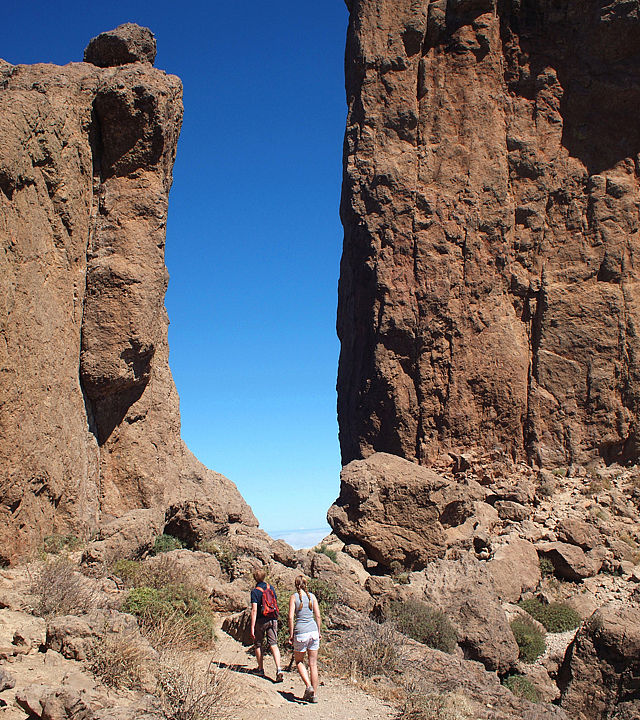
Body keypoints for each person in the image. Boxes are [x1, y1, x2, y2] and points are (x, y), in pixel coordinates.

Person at [288, 574, 322, 703]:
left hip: (301, 632)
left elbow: (291, 617)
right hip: (313, 631)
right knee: (313, 664)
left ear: (296, 584)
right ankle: (314, 695)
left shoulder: (294, 597)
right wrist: (318, 631)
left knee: (299, 661)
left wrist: (291, 634)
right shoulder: (312, 597)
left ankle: (308, 686)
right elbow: (318, 616)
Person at [249, 567, 284, 682]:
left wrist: (252, 627)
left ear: (255, 578)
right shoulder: (271, 588)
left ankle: (260, 669)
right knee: (273, 644)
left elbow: (254, 610)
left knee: (258, 644)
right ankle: (279, 669)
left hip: (261, 620)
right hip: (273, 619)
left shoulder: (255, 592)